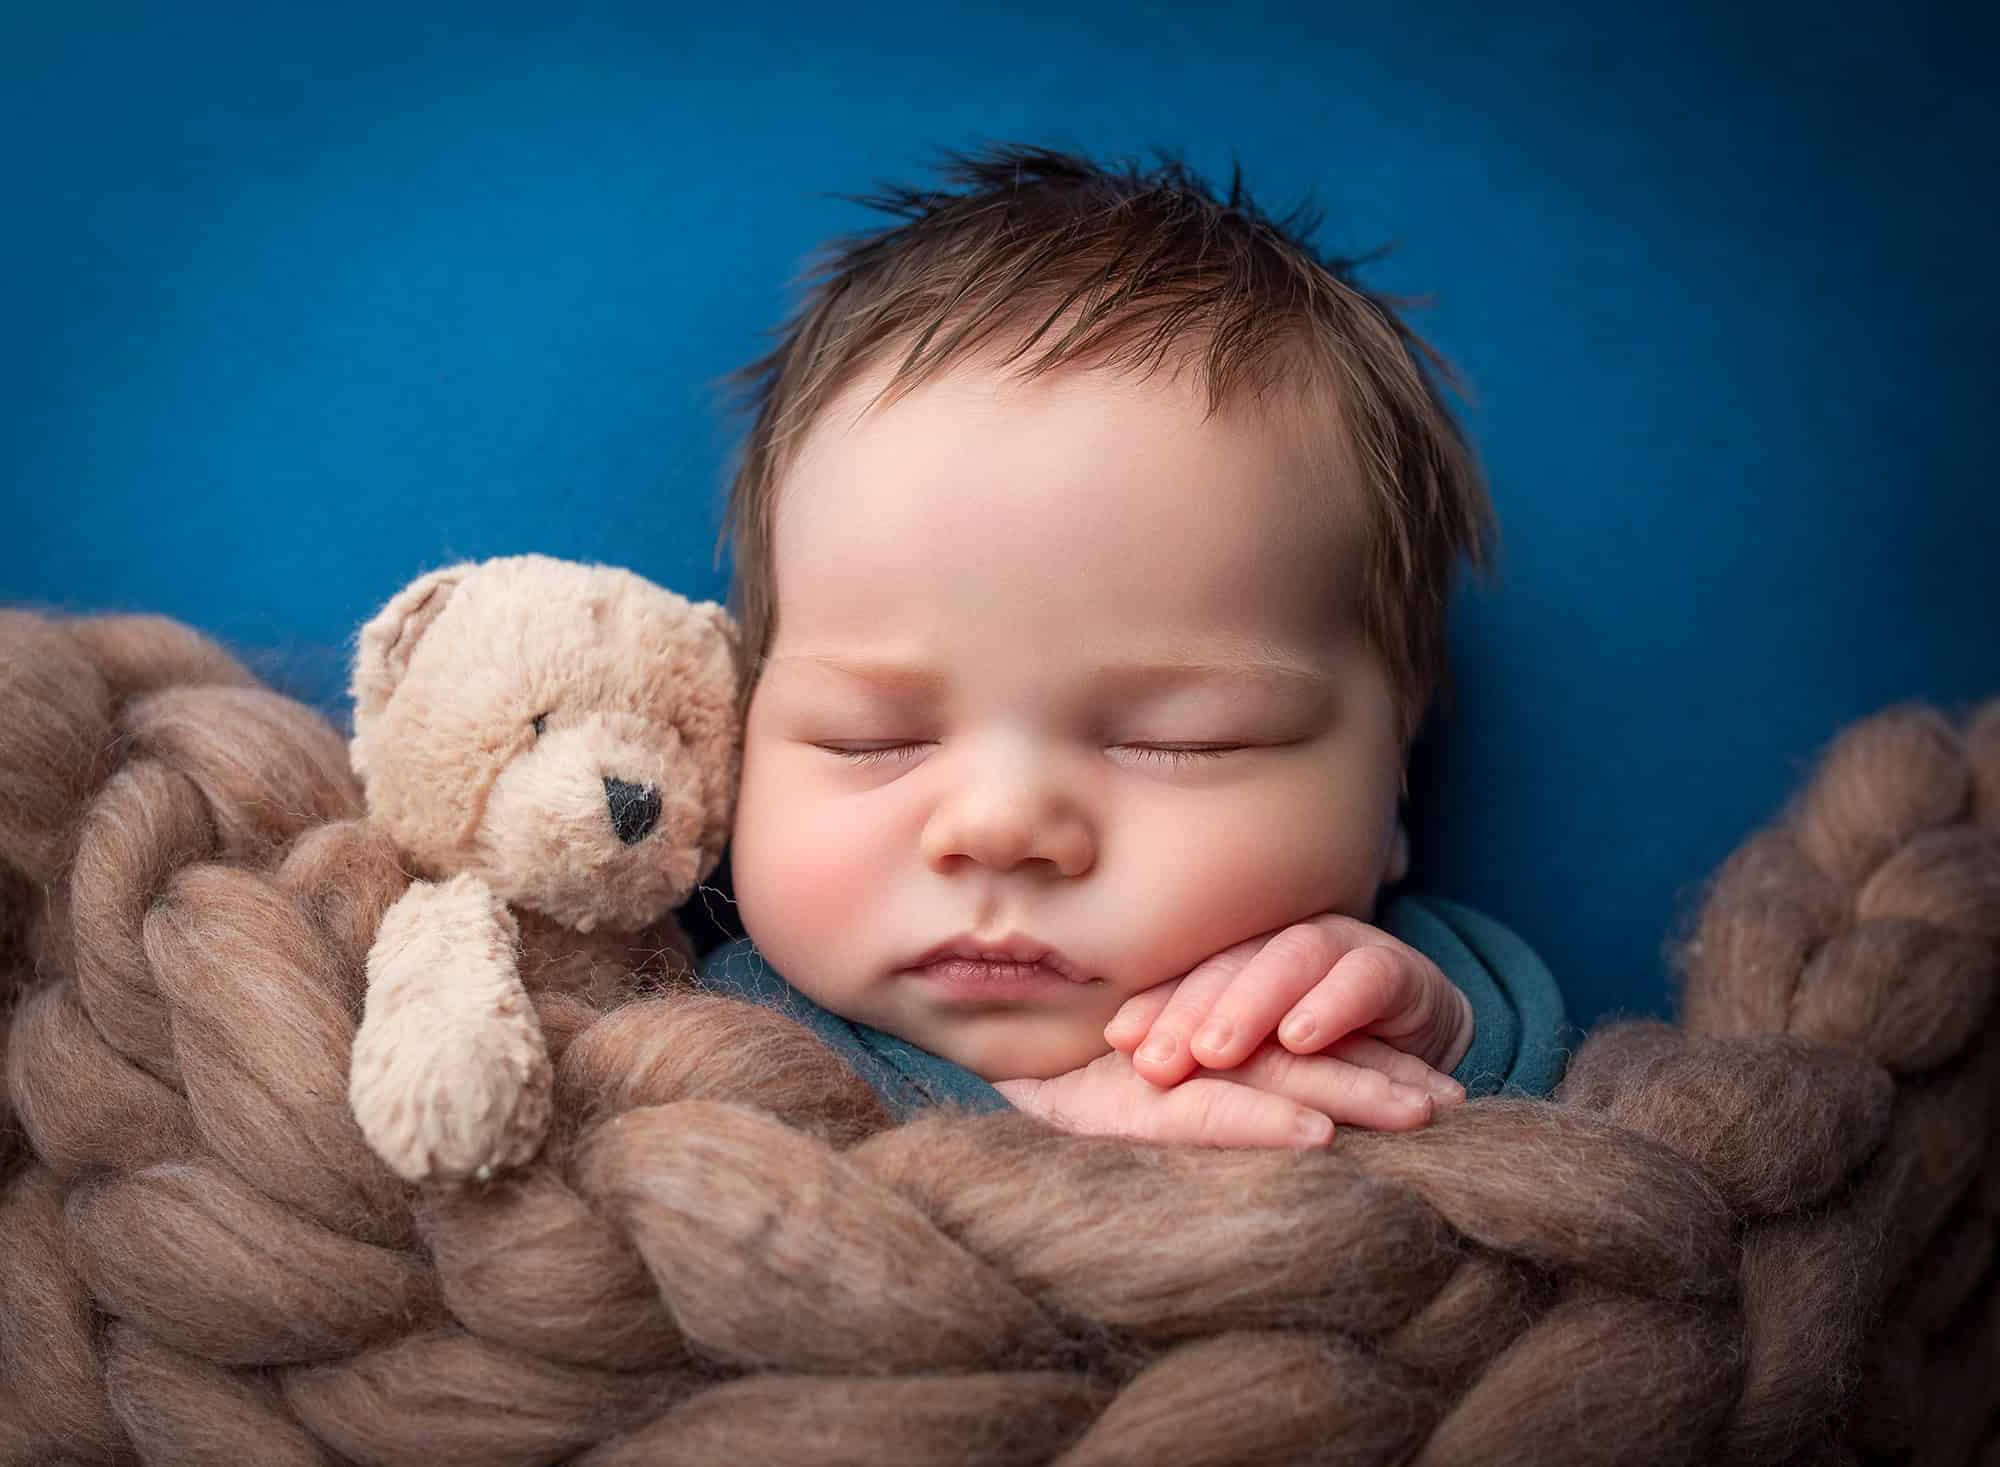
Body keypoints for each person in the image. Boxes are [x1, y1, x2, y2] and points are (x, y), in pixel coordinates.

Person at [695, 142, 1568, 1148]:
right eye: (870, 736)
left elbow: (1523, 1129)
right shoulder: (729, 1034)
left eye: (1184, 741)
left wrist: (1435, 1042)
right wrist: (1041, 1120)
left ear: (1396, 781)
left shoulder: (1384, 990)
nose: (999, 824)